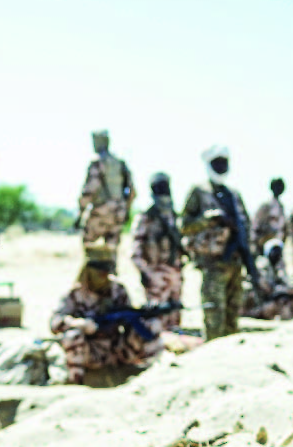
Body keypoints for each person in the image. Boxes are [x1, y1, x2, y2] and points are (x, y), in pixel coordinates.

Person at [179, 146, 261, 341]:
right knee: (214, 318)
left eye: (225, 163)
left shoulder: (233, 194)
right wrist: (208, 220)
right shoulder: (199, 191)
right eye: (217, 163)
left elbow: (245, 226)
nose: (222, 167)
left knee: (232, 318)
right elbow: (184, 225)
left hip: (235, 263)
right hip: (213, 263)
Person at [49, 245, 161, 385]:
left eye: (106, 271)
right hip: (89, 352)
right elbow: (54, 322)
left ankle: (152, 377)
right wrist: (80, 324)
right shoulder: (74, 295)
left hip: (116, 350)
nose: (103, 276)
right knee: (72, 336)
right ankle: (75, 381)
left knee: (152, 325)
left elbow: (130, 316)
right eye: (99, 271)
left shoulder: (117, 290)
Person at [129, 171, 183, 331]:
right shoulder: (146, 218)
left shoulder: (174, 217)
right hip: (156, 279)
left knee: (174, 322)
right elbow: (135, 253)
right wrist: (148, 274)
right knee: (156, 323)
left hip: (175, 277)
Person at [76, 130, 133, 251]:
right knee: (112, 251)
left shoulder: (97, 163)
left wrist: (80, 213)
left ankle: (95, 269)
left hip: (100, 212)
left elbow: (90, 191)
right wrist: (126, 211)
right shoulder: (120, 163)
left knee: (89, 246)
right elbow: (132, 192)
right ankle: (111, 269)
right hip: (118, 212)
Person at [241, 241, 293, 321]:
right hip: (261, 303)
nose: (277, 254)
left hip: (270, 298)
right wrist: (286, 291)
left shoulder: (277, 265)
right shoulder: (262, 265)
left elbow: (283, 281)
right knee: (283, 300)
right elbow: (267, 289)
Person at [252, 177, 287, 252]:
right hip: (264, 243)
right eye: (276, 187)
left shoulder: (281, 207)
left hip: (277, 244)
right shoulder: (266, 206)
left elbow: (284, 228)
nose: (278, 189)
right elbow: (256, 225)